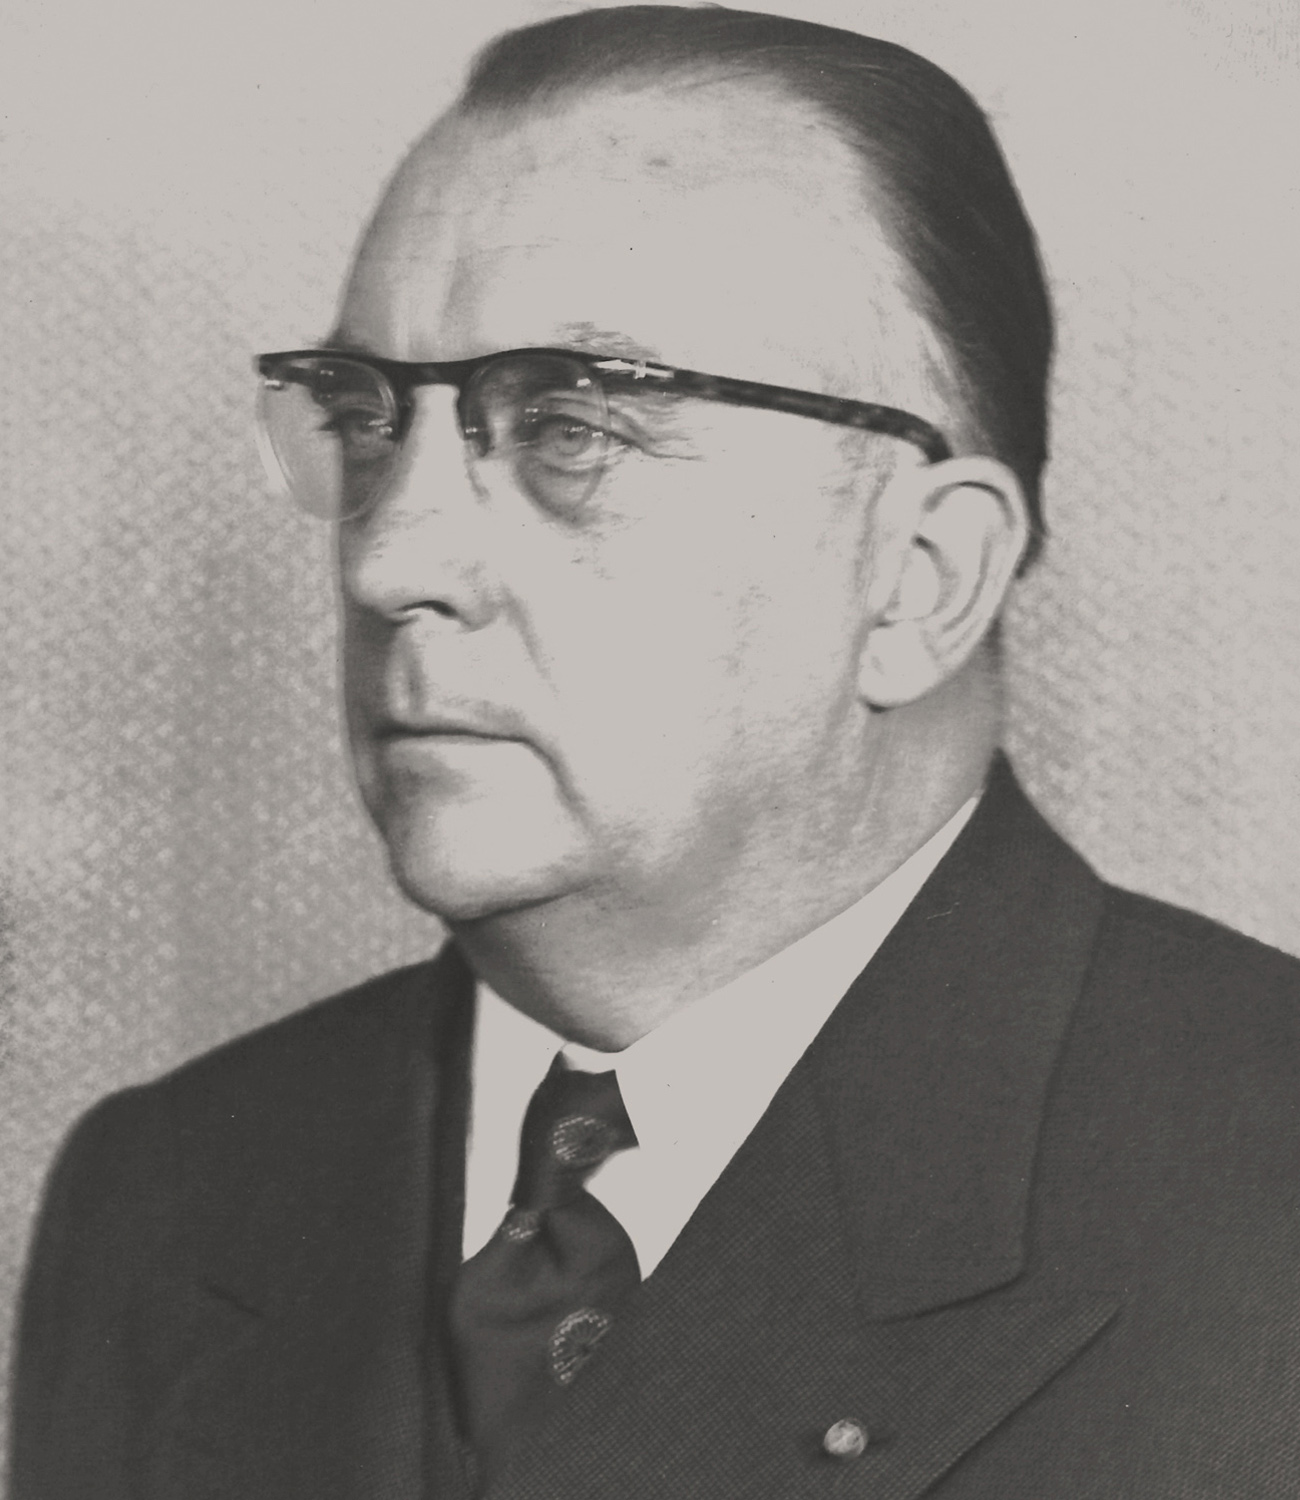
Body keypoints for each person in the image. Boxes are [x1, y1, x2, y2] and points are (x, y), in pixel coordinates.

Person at [11, 7, 1299, 1497]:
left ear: (920, 581)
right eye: (365, 426)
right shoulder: (170, 1190)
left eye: (573, 426)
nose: (387, 562)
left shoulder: (1265, 1191)